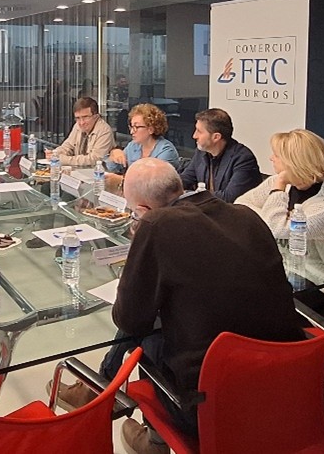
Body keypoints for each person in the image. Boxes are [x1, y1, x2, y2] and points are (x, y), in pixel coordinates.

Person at [52, 159, 302, 453]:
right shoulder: (246, 215)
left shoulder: (156, 225)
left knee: (148, 333)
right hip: (289, 385)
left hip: (209, 404)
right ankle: (100, 389)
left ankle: (150, 438)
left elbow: (129, 320)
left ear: (143, 209)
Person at [237, 129, 324, 250]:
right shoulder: (279, 181)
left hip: (323, 265)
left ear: (293, 162)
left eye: (276, 155)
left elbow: (275, 229)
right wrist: (272, 216)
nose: (271, 158)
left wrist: (278, 189)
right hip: (286, 260)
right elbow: (241, 205)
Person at [178, 108, 261, 202]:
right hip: (208, 208)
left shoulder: (243, 159)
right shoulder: (201, 152)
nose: (194, 136)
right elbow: (186, 178)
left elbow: (229, 198)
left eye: (199, 131)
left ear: (216, 137)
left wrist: (190, 194)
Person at [105, 103, 181, 179]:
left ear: (151, 129)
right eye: (131, 126)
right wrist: (114, 154)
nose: (131, 132)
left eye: (136, 127)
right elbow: (114, 168)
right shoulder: (133, 146)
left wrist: (120, 180)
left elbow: (151, 181)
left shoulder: (166, 151)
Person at [47, 96, 115, 167]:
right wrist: (55, 153)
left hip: (98, 171)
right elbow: (68, 146)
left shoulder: (104, 131)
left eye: (85, 117)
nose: (81, 122)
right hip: (80, 170)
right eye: (78, 118)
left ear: (96, 116)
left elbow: (95, 159)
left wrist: (64, 160)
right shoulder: (77, 125)